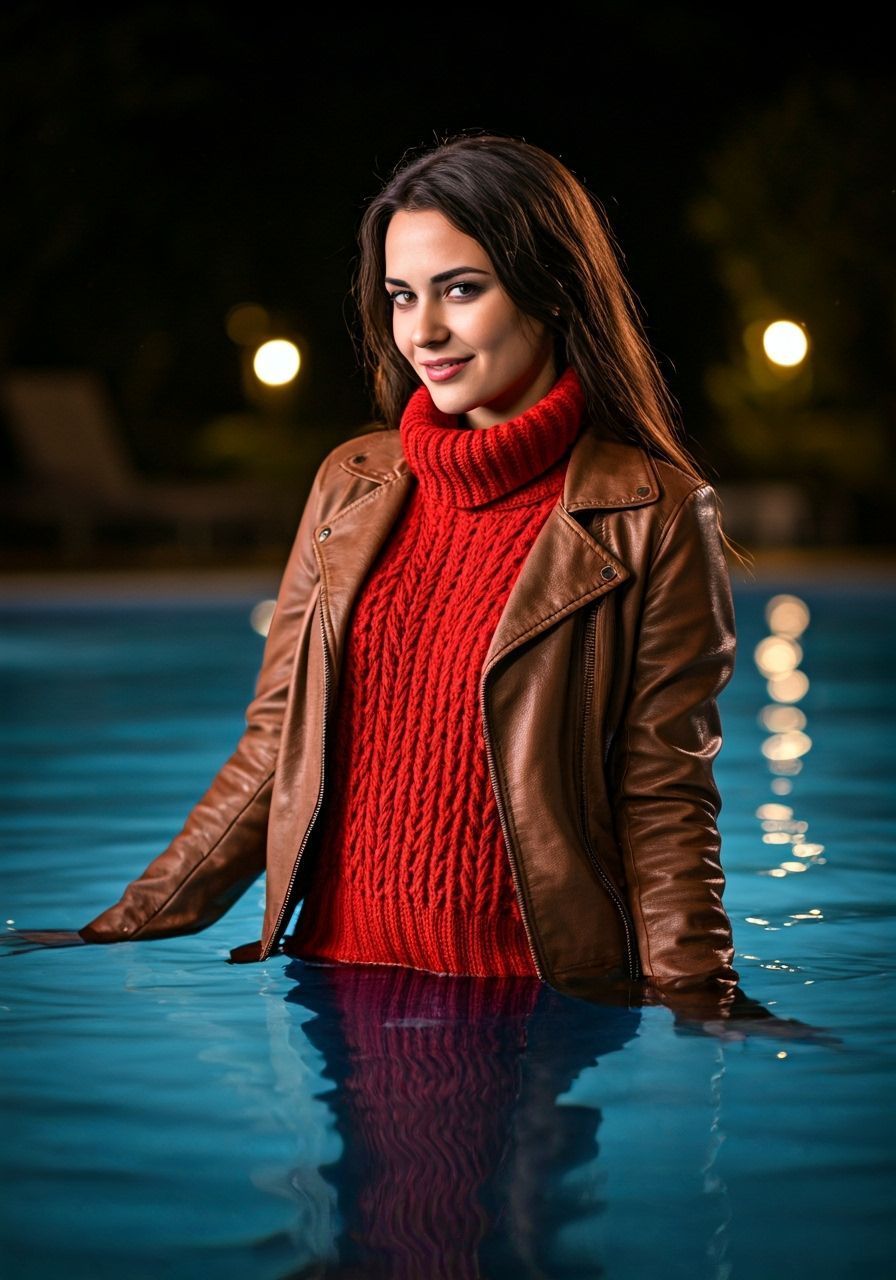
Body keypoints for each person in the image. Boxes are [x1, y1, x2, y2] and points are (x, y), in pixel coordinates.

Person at [12, 133, 753, 1021]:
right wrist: (118, 929)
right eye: (403, 296)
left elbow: (663, 796)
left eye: (461, 289)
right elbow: (274, 748)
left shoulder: (651, 514)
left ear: (552, 289)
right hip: (331, 991)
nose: (423, 331)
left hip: (531, 1003)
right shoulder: (350, 486)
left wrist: (702, 1001)